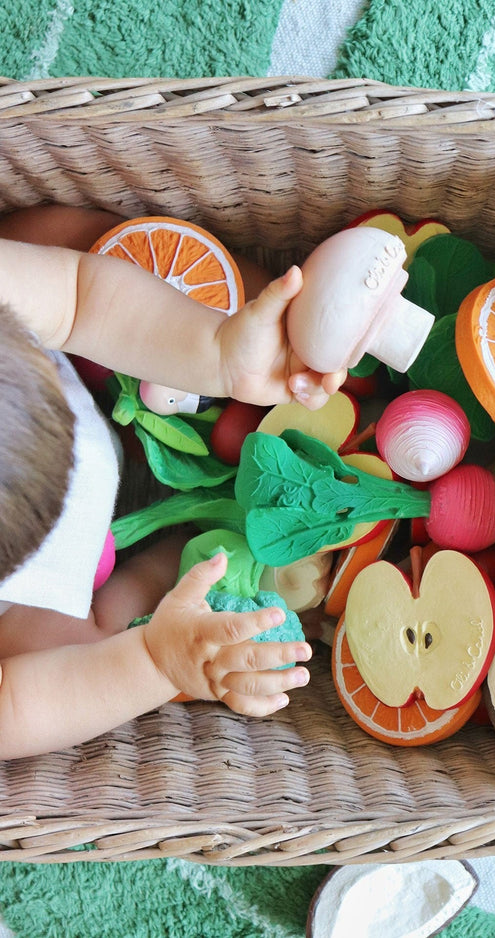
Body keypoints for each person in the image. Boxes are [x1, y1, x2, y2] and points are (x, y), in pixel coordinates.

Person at [0, 206, 346, 760]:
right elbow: (13, 707)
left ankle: (276, 321)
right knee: (72, 660)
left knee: (49, 241)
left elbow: (79, 294)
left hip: (49, 363)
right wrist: (155, 663)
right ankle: (182, 559)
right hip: (28, 592)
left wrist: (217, 353)